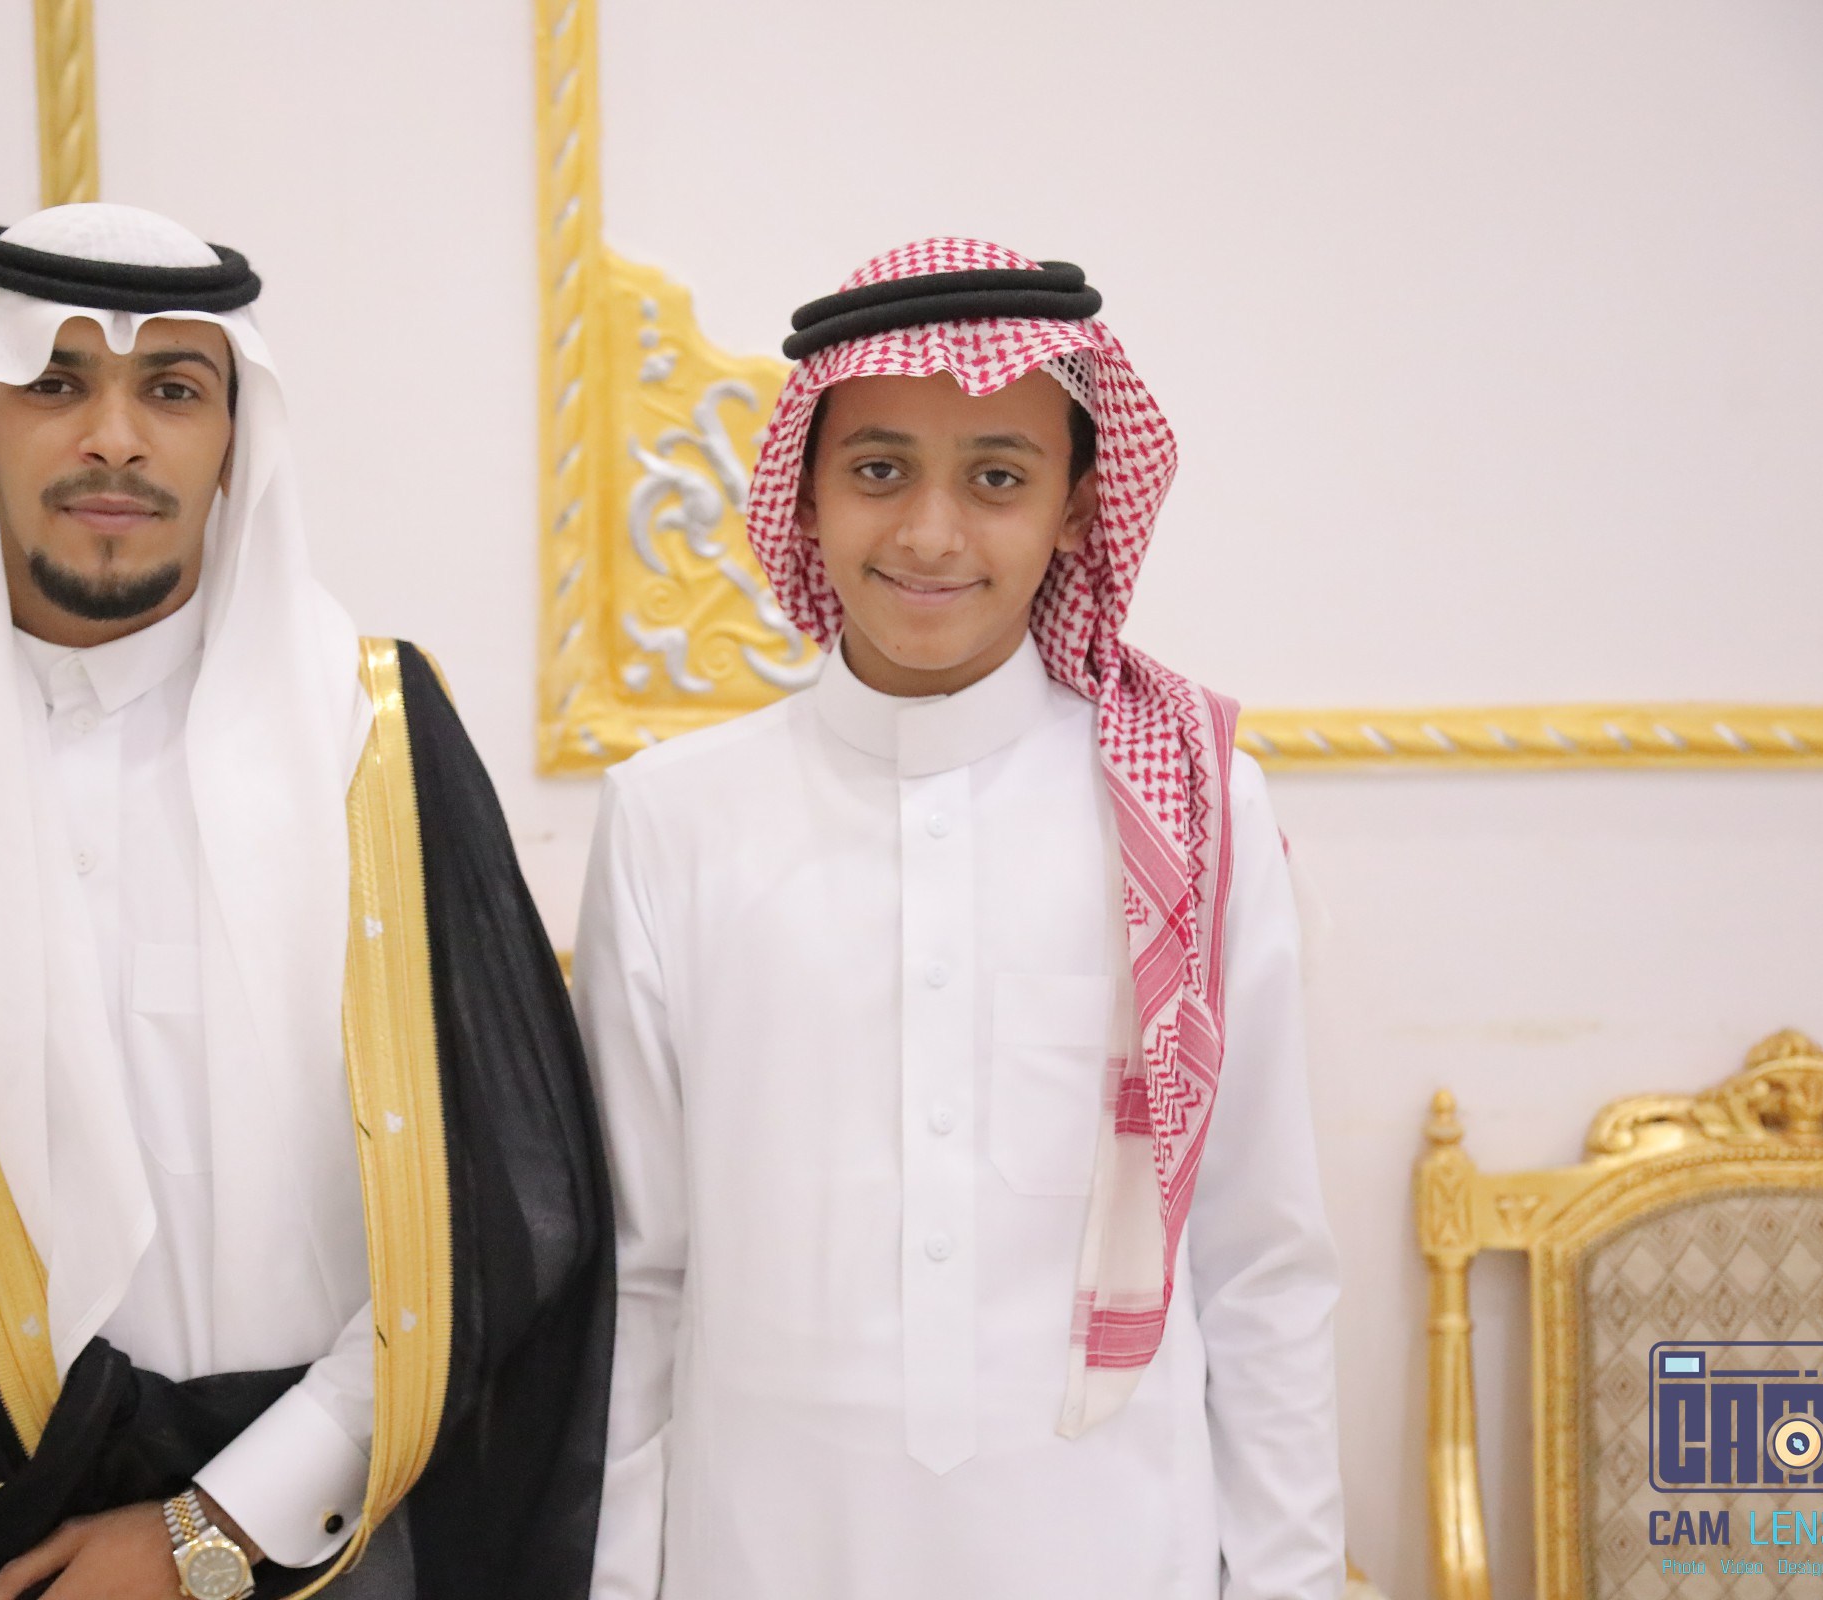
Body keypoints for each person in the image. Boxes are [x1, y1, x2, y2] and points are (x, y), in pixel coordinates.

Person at [0, 204, 612, 1600]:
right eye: (55, 381)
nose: (116, 438)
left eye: (173, 390)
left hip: (324, 1535)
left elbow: (517, 1199)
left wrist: (220, 1525)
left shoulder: (375, 734)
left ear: (234, 438)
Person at [573, 239, 1342, 1599]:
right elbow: (640, 1279)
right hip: (764, 1552)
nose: (931, 533)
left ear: (1075, 508)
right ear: (806, 495)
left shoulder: (1189, 805)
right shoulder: (672, 816)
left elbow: (1259, 1263)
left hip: (1111, 1550)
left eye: (997, 478)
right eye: (879, 471)